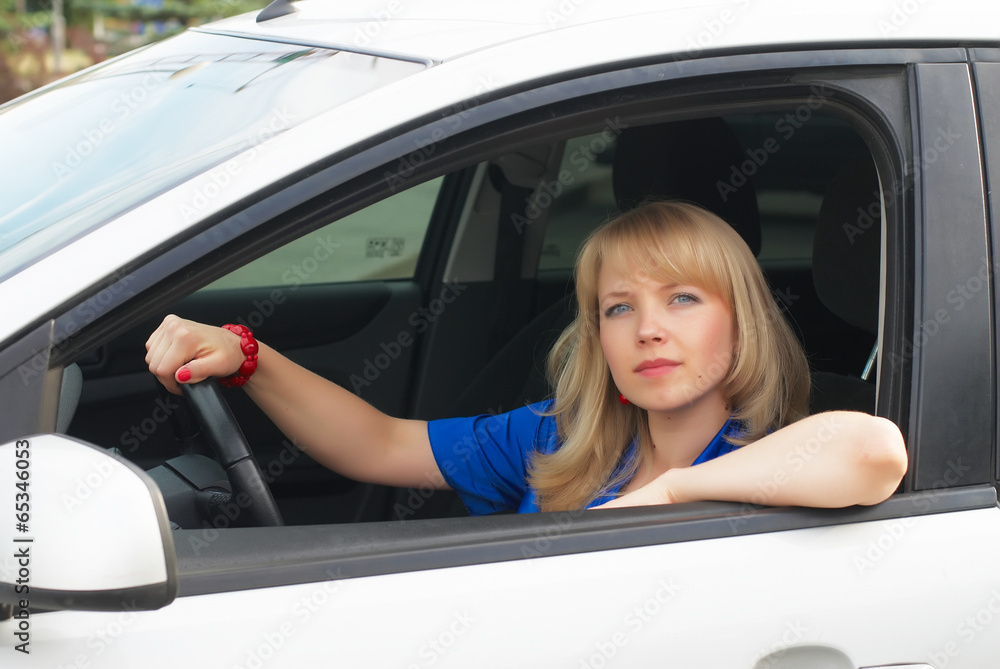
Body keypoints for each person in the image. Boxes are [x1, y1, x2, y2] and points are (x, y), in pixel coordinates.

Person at [145, 201, 907, 515]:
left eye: (683, 299)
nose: (647, 329)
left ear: (741, 325)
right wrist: (246, 355)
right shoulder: (557, 437)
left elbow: (874, 451)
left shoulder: (771, 451)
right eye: (619, 308)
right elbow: (378, 443)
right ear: (597, 337)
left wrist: (666, 495)